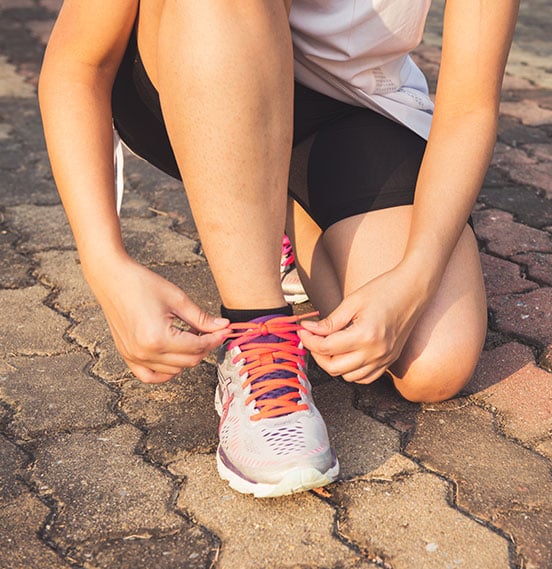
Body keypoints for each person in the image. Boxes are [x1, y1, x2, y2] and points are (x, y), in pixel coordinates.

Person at [39, 0, 519, 497]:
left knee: (432, 363)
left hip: (349, 103)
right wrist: (105, 262)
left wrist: (415, 277)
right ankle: (257, 334)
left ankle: (272, 215)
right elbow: (78, 64)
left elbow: (470, 105)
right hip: (195, 59)